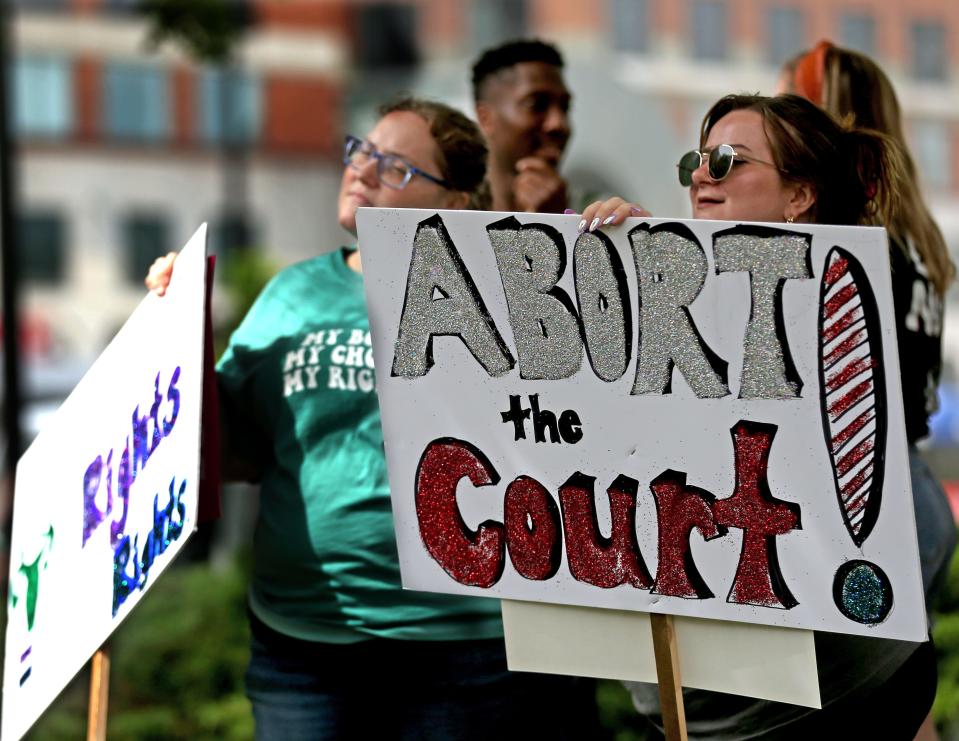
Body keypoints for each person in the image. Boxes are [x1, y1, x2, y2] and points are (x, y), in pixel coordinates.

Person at [148, 96, 596, 740]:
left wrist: (621, 242)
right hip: (302, 648)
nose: (361, 169)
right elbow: (232, 450)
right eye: (361, 150)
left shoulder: (507, 294)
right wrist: (176, 333)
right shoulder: (293, 293)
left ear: (457, 202)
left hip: (461, 650)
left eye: (395, 167)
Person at [579, 93, 939, 739]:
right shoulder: (669, 285)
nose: (699, 175)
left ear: (798, 196)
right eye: (696, 158)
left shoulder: (840, 303)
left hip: (839, 684)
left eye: (726, 161)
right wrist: (618, 260)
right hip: (715, 697)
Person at [782, 39, 957, 610]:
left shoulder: (851, 243)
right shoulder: (910, 235)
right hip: (911, 485)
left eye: (786, 108)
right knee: (899, 694)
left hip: (872, 499)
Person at [471, 38, 572, 213]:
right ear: (485, 117)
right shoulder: (448, 215)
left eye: (565, 108)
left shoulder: (592, 215)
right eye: (537, 105)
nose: (558, 124)